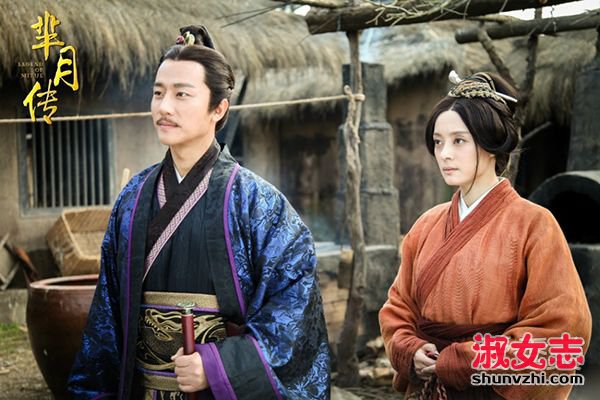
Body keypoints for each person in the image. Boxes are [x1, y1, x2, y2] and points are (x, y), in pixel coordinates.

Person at [68, 25, 330, 400]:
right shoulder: (132, 198)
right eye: (158, 93)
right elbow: (106, 315)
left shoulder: (258, 203)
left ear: (218, 108)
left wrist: (218, 365)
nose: (164, 107)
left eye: (181, 94)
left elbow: (294, 310)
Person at [379, 71, 591, 399]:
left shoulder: (535, 224)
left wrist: (466, 361)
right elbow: (398, 306)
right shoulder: (426, 224)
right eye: (438, 141)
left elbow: (562, 325)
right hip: (429, 387)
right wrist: (409, 349)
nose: (444, 154)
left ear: (491, 144)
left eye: (458, 141)